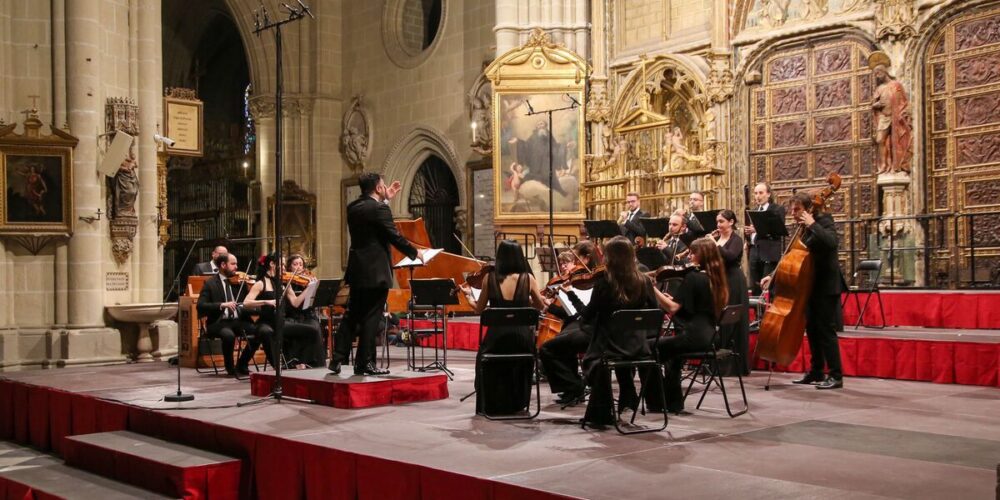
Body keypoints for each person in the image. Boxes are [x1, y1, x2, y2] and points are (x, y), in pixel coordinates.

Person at [330, 172, 425, 376]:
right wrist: (416, 252)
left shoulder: (352, 207)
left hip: (357, 269)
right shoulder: (380, 208)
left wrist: (386, 199)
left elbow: (372, 224)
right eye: (383, 185)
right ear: (378, 188)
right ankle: (364, 364)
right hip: (376, 272)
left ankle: (337, 358)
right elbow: (393, 235)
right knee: (372, 317)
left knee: (352, 315)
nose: (385, 187)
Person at [578, 236, 670, 427]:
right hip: (639, 347)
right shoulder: (644, 281)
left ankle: (602, 411)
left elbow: (588, 315)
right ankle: (628, 395)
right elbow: (655, 312)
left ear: (609, 258)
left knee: (592, 357)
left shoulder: (605, 282)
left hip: (610, 348)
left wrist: (575, 302)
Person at [761, 192, 845, 389]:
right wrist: (773, 275)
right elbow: (794, 256)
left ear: (808, 209)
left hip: (825, 285)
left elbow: (832, 242)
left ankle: (836, 375)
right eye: (792, 209)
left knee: (826, 331)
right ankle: (816, 371)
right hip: (808, 285)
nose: (793, 213)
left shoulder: (824, 220)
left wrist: (812, 224)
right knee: (813, 330)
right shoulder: (802, 228)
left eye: (797, 209)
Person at [459, 240, 546, 415]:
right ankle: (517, 402)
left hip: (496, 340)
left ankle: (492, 403)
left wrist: (468, 296)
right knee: (521, 358)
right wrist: (524, 301)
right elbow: (540, 307)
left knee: (482, 358)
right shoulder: (528, 279)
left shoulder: (489, 279)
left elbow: (479, 309)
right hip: (522, 340)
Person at [650, 238, 729, 413]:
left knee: (649, 349)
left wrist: (652, 289)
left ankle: (657, 401)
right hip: (711, 337)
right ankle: (673, 403)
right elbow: (696, 304)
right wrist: (675, 300)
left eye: (693, 253)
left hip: (694, 337)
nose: (690, 256)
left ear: (701, 256)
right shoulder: (716, 277)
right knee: (672, 356)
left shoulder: (693, 277)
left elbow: (672, 308)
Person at [538, 242, 602, 405]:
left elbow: (585, 313)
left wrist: (571, 295)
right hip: (592, 327)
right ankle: (571, 389)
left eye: (575, 259)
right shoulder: (590, 278)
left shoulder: (596, 281)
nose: (573, 266)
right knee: (565, 333)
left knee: (548, 348)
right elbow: (572, 315)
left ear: (586, 259)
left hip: (593, 331)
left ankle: (575, 386)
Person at [196, 253, 253, 376]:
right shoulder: (211, 284)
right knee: (228, 335)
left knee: (259, 331)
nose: (236, 267)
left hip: (237, 321)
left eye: (236, 264)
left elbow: (244, 302)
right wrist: (222, 305)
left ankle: (242, 363)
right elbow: (200, 306)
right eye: (233, 264)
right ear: (223, 265)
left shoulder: (238, 283)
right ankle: (230, 367)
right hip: (218, 322)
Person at [713, 210, 751, 375]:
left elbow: (730, 256)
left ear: (731, 222)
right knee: (721, 320)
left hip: (734, 281)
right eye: (717, 222)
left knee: (733, 319)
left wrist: (713, 245)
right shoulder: (716, 238)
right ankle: (719, 365)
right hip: (720, 281)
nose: (718, 225)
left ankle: (734, 366)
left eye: (721, 221)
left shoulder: (736, 239)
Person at [282, 254, 326, 368]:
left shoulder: (307, 280)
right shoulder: (287, 282)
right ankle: (300, 362)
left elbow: (315, 301)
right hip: (293, 316)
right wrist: (309, 289)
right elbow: (295, 304)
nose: (298, 267)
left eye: (301, 264)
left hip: (308, 315)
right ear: (289, 267)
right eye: (295, 264)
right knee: (309, 329)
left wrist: (315, 287)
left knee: (316, 327)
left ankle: (316, 364)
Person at [745, 182, 786, 295]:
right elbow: (752, 231)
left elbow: (778, 229)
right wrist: (747, 239)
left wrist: (757, 229)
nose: (758, 196)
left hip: (769, 251)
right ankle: (758, 312)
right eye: (756, 193)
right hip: (755, 251)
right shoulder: (754, 210)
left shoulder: (777, 209)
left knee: (768, 285)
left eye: (761, 193)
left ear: (768, 194)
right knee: (755, 284)